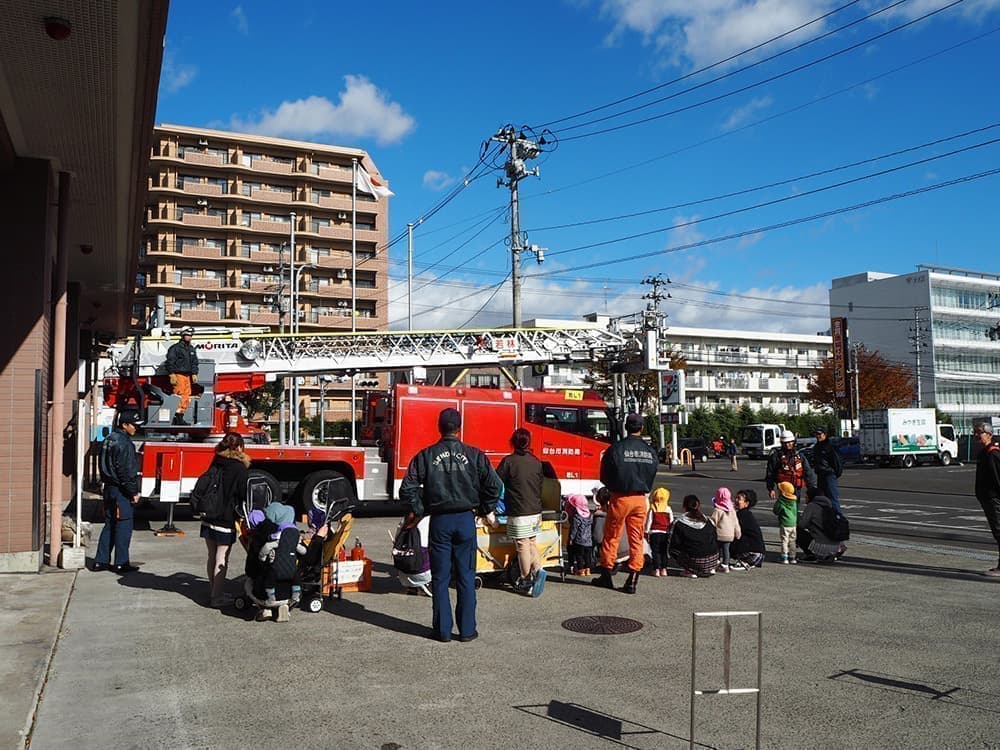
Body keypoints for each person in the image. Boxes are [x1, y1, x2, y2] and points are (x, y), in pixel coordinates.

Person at [399, 408, 502, 643]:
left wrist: (420, 508)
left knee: (440, 577)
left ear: (439, 427)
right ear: (459, 427)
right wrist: (485, 508)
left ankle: (442, 630)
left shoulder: (426, 455)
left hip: (440, 521)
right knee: (466, 576)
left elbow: (407, 489)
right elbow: (494, 486)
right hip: (466, 519)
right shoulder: (475, 455)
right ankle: (467, 630)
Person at [591, 413, 659, 594]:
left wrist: (613, 487)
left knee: (611, 536)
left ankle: (606, 573)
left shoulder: (616, 449)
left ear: (626, 427)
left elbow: (604, 475)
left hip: (620, 497)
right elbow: (652, 473)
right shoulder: (649, 451)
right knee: (636, 538)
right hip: (640, 498)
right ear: (641, 428)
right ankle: (633, 578)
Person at [200, 432, 250, 608]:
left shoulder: (217, 461)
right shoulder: (240, 468)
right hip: (225, 518)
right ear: (239, 447)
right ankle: (216, 597)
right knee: (222, 559)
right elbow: (244, 495)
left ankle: (215, 590)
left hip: (208, 515)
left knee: (211, 556)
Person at [496, 428, 546, 596]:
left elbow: (496, 482)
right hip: (535, 510)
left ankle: (525, 579)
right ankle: (539, 571)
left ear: (513, 442)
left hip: (519, 511)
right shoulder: (536, 462)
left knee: (522, 545)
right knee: (531, 542)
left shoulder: (509, 462)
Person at [92, 410, 143, 574]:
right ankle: (121, 562)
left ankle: (101, 561)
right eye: (133, 425)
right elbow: (125, 472)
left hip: (109, 488)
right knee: (123, 525)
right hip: (121, 491)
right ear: (124, 425)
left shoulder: (109, 439)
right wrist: (133, 491)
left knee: (109, 524)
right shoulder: (125, 443)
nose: (136, 428)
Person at [668, 495, 720, 578]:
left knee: (673, 550)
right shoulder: (707, 520)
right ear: (698, 506)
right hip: (713, 559)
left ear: (684, 506)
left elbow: (674, 543)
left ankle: (690, 570)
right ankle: (709, 568)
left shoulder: (680, 522)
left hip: (696, 560)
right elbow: (715, 537)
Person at [973, 422, 1000, 577]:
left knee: (999, 531)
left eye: (979, 432)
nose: (976, 435)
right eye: (975, 432)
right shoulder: (985, 452)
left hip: (994, 498)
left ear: (989, 434)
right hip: (988, 498)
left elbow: (998, 478)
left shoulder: (992, 453)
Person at [797, 492, 847, 563]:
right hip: (839, 547)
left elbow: (802, 525)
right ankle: (833, 554)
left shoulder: (812, 506)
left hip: (822, 546)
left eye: (806, 496)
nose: (805, 498)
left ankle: (811, 555)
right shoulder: (830, 506)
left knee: (796, 531)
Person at [766, 430, 816, 501]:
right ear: (781, 443)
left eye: (789, 442)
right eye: (785, 443)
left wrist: (811, 489)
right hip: (783, 488)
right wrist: (771, 489)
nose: (787, 445)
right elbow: (770, 473)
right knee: (785, 508)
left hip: (796, 488)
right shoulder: (776, 457)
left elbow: (808, 472)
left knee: (795, 507)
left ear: (793, 442)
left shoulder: (799, 456)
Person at [166, 326, 199, 425]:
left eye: (191, 335)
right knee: (179, 395)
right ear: (183, 335)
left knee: (186, 396)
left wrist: (194, 373)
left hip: (187, 375)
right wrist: (171, 373)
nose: (189, 337)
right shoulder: (175, 348)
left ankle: (181, 416)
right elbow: (170, 361)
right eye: (187, 335)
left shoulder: (191, 348)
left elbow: (194, 362)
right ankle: (176, 417)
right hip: (178, 374)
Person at [730, 489, 765, 570]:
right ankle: (745, 561)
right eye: (736, 498)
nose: (735, 500)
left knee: (727, 537)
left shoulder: (742, 515)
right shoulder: (747, 514)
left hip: (752, 554)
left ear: (746, 503)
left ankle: (743, 561)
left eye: (739, 498)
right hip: (758, 555)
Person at [812, 427, 843, 516]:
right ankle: (825, 518)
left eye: (819, 434)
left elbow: (837, 462)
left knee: (833, 498)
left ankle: (839, 519)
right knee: (821, 498)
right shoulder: (816, 447)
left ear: (825, 435)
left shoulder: (830, 446)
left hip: (829, 475)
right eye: (816, 434)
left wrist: (834, 473)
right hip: (820, 475)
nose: (818, 436)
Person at [710, 487, 741, 573]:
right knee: (726, 550)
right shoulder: (732, 510)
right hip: (730, 535)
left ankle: (716, 563)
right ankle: (725, 565)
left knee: (716, 549)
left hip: (719, 534)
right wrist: (737, 532)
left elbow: (713, 522)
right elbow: (736, 522)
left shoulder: (718, 510)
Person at [645, 486, 673, 577]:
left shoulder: (653, 508)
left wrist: (647, 531)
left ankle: (656, 569)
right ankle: (664, 569)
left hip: (654, 533)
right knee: (664, 552)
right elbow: (671, 521)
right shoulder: (668, 508)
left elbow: (649, 521)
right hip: (665, 533)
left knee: (655, 552)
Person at [565, 493, 593, 576]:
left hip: (579, 540)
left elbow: (574, 530)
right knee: (587, 555)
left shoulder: (576, 517)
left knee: (579, 555)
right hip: (588, 540)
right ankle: (588, 570)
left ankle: (580, 570)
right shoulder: (589, 516)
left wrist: (571, 538)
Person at [772, 480, 799, 564]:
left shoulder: (781, 501)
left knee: (784, 540)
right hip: (793, 523)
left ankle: (784, 557)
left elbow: (776, 511)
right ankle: (793, 557)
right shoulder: (794, 501)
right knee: (792, 541)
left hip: (785, 523)